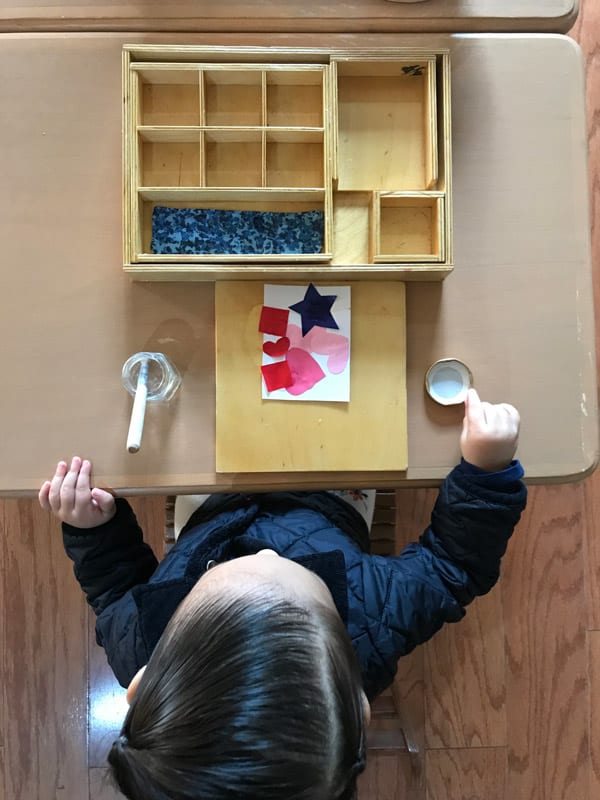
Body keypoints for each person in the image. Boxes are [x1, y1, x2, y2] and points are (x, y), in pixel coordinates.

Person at [39, 388, 527, 800]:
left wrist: (94, 530)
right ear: (357, 708)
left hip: (211, 506)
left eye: (231, 572)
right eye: (288, 573)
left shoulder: (141, 645)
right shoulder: (374, 625)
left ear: (142, 683)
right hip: (332, 495)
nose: (267, 554)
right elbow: (452, 566)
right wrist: (485, 475)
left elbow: (114, 585)